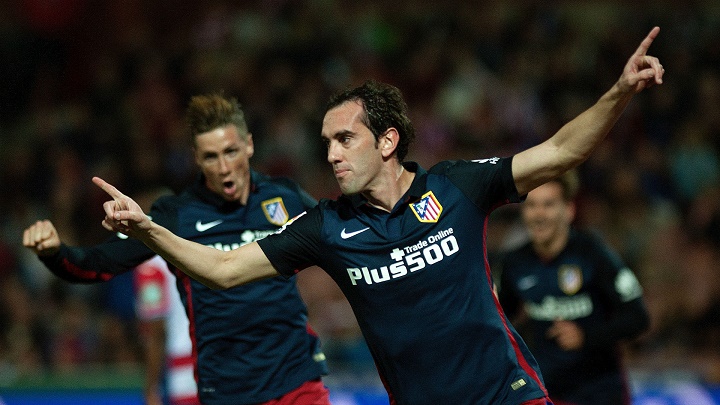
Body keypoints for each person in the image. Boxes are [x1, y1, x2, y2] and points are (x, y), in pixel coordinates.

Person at [91, 27, 664, 405]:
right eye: (326, 142)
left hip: (506, 393)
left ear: (387, 140)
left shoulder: (458, 186)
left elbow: (562, 150)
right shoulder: (326, 227)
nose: (332, 154)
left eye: (345, 138)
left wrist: (618, 92)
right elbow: (221, 270)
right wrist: (149, 229)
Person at [22, 94, 330, 405]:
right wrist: (55, 252)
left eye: (231, 152)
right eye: (211, 157)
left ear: (249, 145)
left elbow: (341, 241)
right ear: (196, 157)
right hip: (227, 391)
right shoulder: (176, 216)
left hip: (298, 382)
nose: (224, 167)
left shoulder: (285, 198)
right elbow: (96, 264)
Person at [497, 170, 650, 405]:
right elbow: (502, 318)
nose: (538, 214)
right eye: (531, 206)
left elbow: (638, 318)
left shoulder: (593, 255)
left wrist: (586, 336)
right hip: (547, 392)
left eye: (548, 205)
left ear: (568, 210)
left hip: (600, 392)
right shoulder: (515, 263)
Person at [134, 255, 199, 405]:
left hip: (186, 369)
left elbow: (156, 332)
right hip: (221, 355)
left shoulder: (151, 269)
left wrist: (151, 387)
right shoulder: (196, 244)